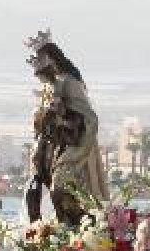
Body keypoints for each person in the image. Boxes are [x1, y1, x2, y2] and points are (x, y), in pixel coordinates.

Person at [24, 29, 108, 226]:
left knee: (60, 189)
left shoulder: (70, 83)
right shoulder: (48, 86)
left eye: (38, 59)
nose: (34, 64)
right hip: (48, 149)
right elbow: (41, 120)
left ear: (50, 59)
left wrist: (63, 116)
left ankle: (72, 228)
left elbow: (89, 118)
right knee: (33, 190)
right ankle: (34, 232)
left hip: (71, 148)